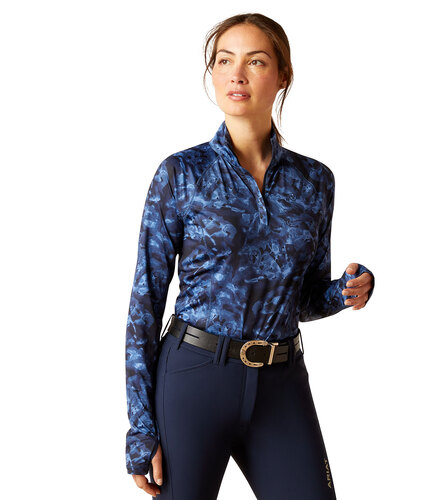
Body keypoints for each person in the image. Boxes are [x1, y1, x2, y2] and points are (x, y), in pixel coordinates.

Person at [125, 12, 375, 500]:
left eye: (255, 61)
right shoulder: (181, 174)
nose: (236, 74)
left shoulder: (314, 181)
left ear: (283, 76)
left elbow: (303, 299)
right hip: (193, 379)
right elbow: (144, 303)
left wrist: (346, 292)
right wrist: (140, 425)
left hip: (282, 383)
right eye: (224, 60)